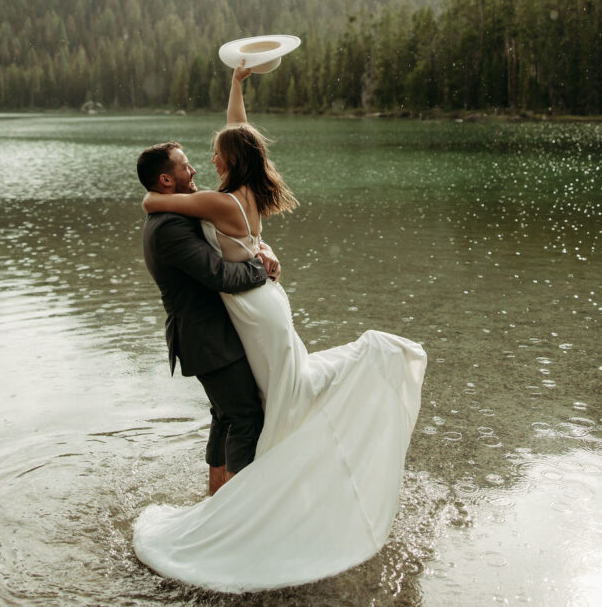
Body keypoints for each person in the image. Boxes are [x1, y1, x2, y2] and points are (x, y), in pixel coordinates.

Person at [133, 63, 427, 592]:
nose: (206, 161)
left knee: (273, 401)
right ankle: (259, 498)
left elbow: (158, 199)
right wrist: (237, 86)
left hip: (252, 302)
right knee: (274, 396)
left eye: (214, 154)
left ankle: (254, 515)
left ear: (229, 161)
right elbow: (239, 133)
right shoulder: (245, 188)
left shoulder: (220, 200)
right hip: (263, 302)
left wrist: (153, 197)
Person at [136, 138, 280, 495]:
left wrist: (261, 246)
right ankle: (236, 514)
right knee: (246, 417)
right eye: (185, 166)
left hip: (210, 336)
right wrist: (262, 272)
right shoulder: (168, 227)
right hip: (207, 338)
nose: (194, 169)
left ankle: (215, 500)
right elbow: (219, 275)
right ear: (167, 180)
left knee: (225, 415)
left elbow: (231, 237)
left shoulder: (175, 213)